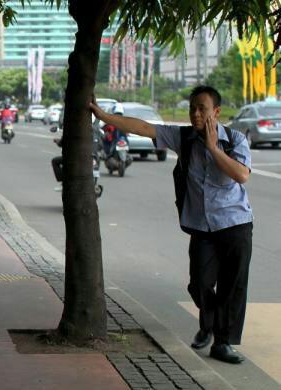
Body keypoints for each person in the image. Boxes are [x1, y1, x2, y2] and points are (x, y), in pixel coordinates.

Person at [90, 86, 253, 365]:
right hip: (202, 227)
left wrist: (213, 148)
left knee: (233, 286)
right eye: (192, 108)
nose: (195, 114)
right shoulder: (184, 137)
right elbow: (143, 127)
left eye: (202, 108)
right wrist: (102, 114)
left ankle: (222, 343)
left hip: (235, 223)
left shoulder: (235, 139)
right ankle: (210, 321)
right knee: (200, 284)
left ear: (216, 112)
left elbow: (241, 175)